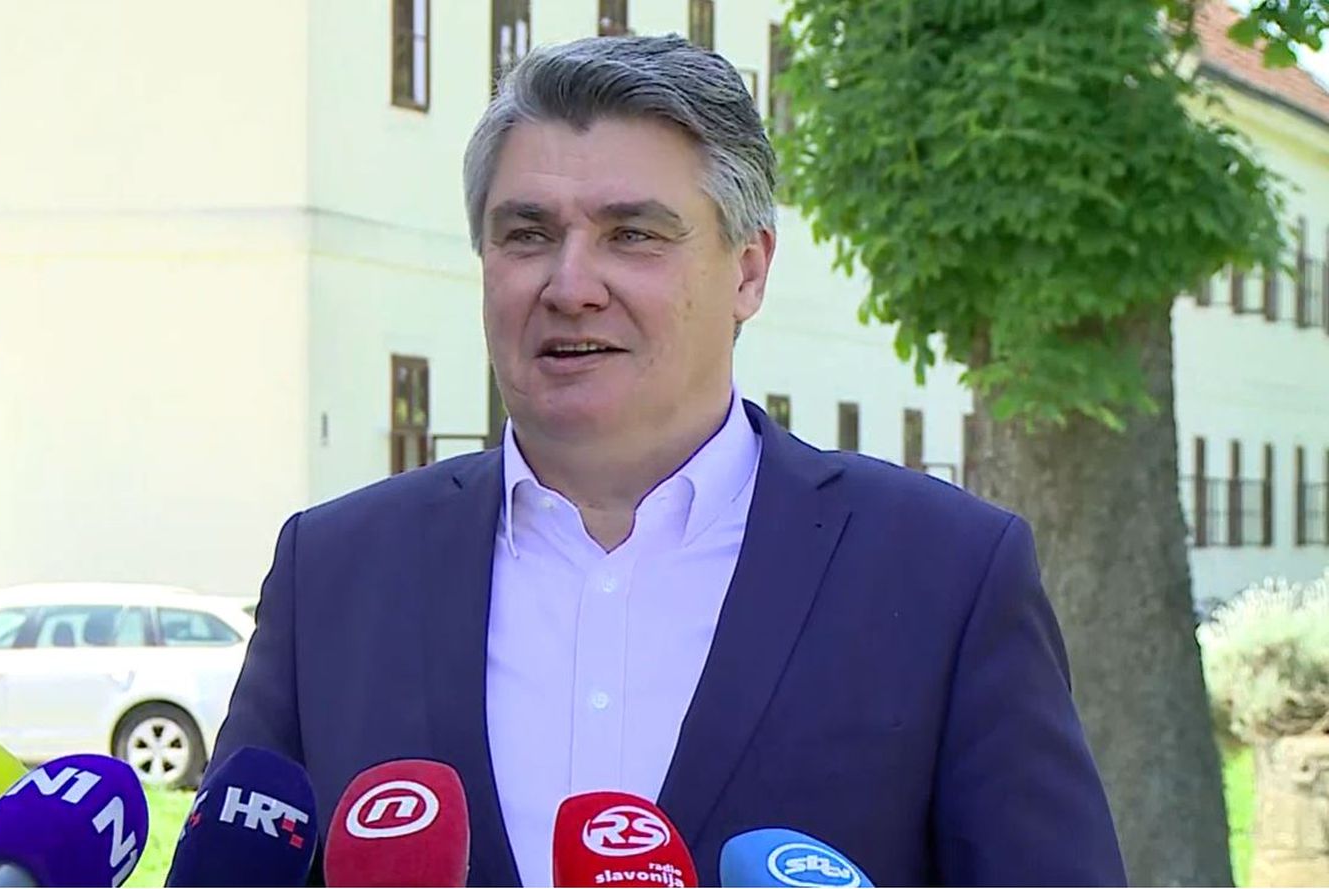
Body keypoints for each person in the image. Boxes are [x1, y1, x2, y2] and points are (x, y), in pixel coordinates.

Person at [206, 35, 1126, 887]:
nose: (570, 284)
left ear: (748, 270)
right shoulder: (333, 573)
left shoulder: (945, 575)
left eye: (633, 234)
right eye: (527, 233)